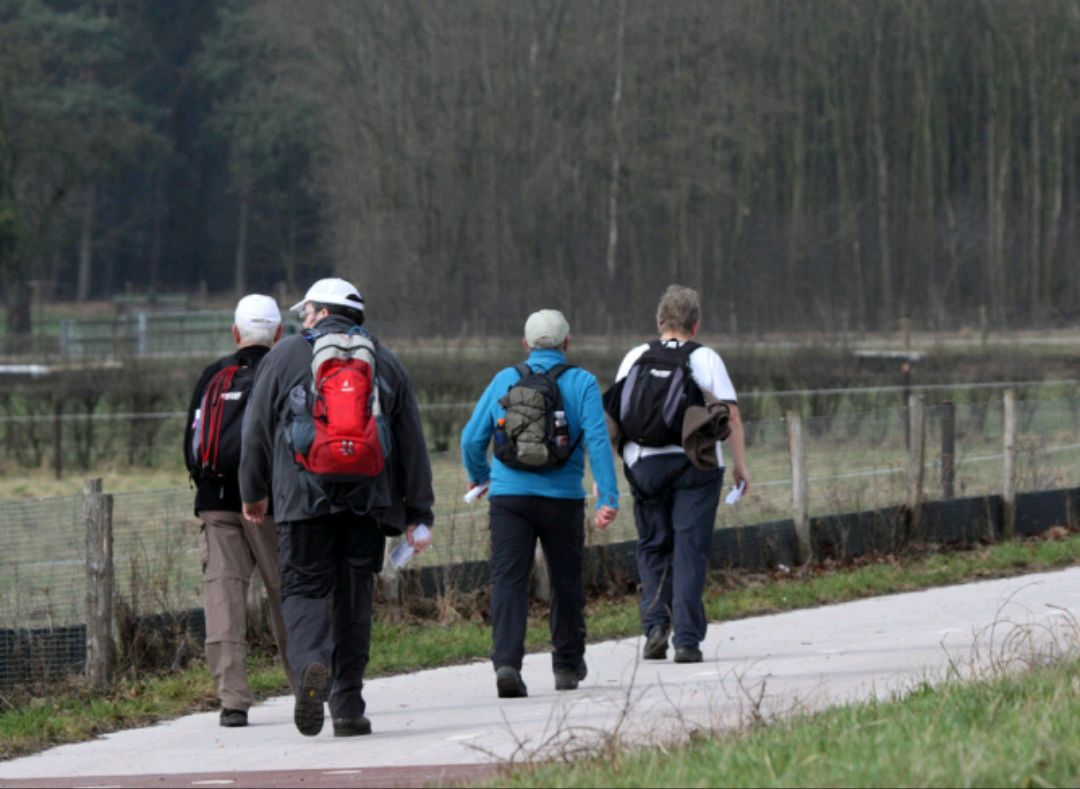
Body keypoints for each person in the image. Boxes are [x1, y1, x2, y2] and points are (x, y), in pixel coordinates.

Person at [239, 277, 434, 737]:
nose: (303, 319)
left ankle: (310, 665)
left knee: (304, 591)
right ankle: (348, 705)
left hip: (301, 502)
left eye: (306, 311)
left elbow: (256, 432)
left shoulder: (285, 356)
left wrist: (253, 492)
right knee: (354, 598)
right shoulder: (384, 359)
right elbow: (411, 443)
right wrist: (418, 511)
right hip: (366, 501)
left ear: (321, 312)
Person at [461, 309, 619, 698]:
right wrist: (608, 496)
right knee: (566, 581)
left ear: (525, 344)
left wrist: (481, 476)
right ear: (567, 344)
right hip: (562, 500)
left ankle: (507, 665)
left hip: (509, 498)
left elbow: (470, 438)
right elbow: (598, 441)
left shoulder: (505, 379)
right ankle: (566, 665)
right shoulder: (581, 382)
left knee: (509, 581)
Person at [611, 285, 750, 664]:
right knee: (690, 550)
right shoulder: (706, 358)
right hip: (696, 464)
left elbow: (615, 415)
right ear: (696, 324)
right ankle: (687, 640)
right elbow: (731, 414)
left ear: (659, 322)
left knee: (653, 546)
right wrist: (739, 464)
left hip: (644, 466)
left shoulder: (635, 357)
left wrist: (607, 471)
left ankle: (655, 626)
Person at [183, 294, 291, 728]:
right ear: (279, 334)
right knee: (289, 593)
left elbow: (191, 442)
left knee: (223, 599)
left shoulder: (214, 375)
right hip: (271, 503)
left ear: (234, 333)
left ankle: (232, 701)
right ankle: (307, 683)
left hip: (216, 502)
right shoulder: (283, 372)